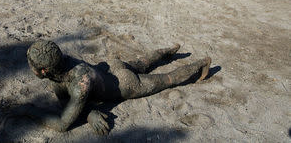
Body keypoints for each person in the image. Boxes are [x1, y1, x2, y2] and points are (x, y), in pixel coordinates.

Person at [20, 40, 211, 135]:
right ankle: (168, 51)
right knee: (142, 61)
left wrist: (29, 111)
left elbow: (63, 124)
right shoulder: (63, 63)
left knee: (167, 79)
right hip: (111, 67)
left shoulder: (79, 84)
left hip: (126, 84)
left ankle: (201, 65)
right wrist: (89, 113)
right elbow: (66, 101)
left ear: (44, 70)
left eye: (32, 64)